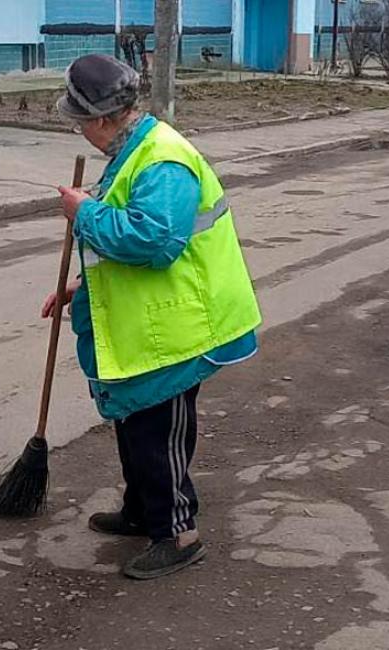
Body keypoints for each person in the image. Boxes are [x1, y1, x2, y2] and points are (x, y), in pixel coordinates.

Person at [44, 54, 262, 580]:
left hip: (181, 331)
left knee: (157, 434)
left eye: (79, 123)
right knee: (135, 426)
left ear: (100, 120)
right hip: (153, 326)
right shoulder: (134, 149)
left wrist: (84, 212)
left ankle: (178, 534)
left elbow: (155, 241)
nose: (79, 132)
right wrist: (82, 285)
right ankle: (143, 511)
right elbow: (133, 245)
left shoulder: (163, 160)